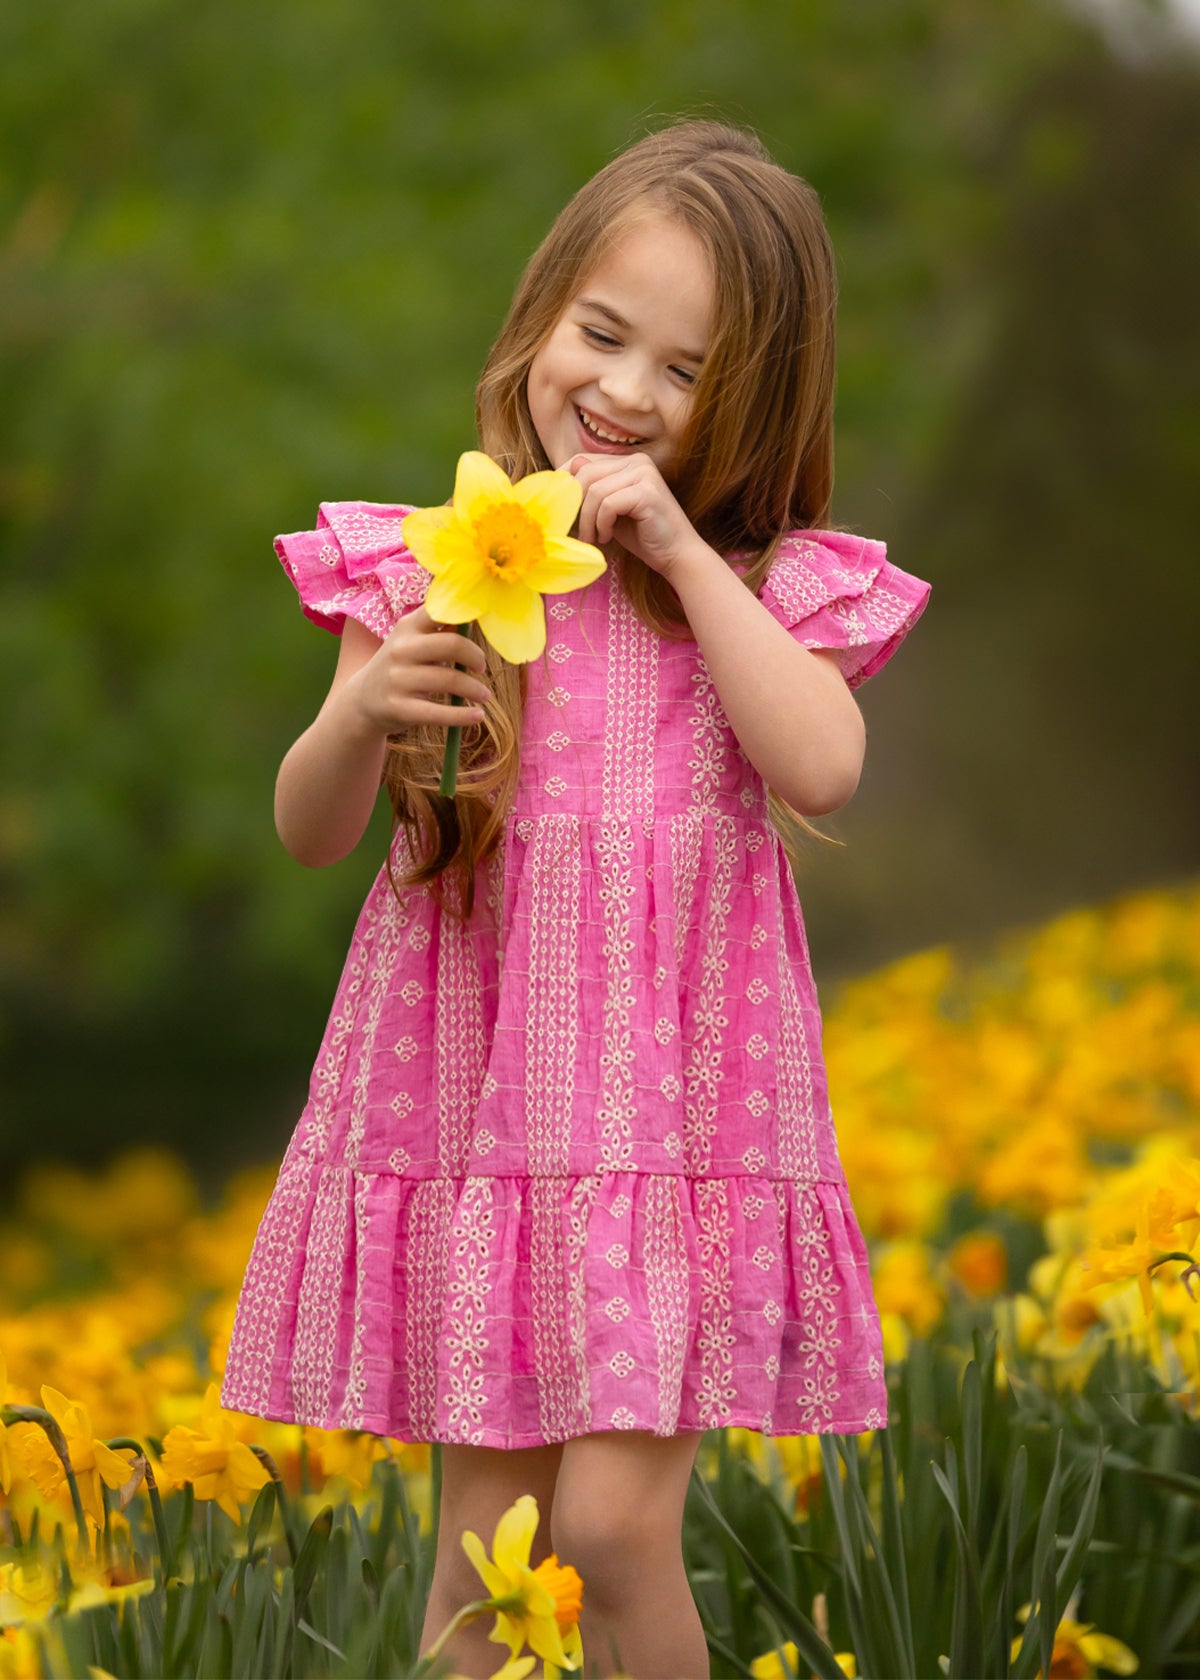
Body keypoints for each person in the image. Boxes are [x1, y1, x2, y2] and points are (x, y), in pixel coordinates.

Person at [221, 118, 930, 1679]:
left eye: (684, 374)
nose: (620, 393)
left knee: (609, 1534)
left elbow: (823, 767)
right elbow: (311, 830)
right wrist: (356, 717)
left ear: (748, 409)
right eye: (601, 336)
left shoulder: (753, 588)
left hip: (670, 1136)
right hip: (489, 1127)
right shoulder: (434, 565)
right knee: (487, 1571)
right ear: (542, 315)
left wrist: (682, 551)